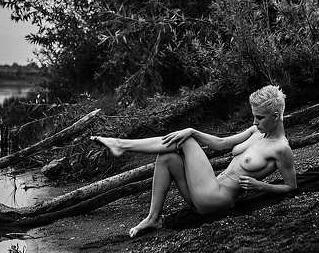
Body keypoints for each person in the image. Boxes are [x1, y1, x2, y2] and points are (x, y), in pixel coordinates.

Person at [91, 85, 297, 237]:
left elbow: (291, 186)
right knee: (167, 157)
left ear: (275, 116)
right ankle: (153, 218)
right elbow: (221, 144)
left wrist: (260, 185)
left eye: (259, 117)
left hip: (218, 199)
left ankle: (121, 145)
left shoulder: (281, 149)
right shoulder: (256, 131)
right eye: (254, 116)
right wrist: (193, 131)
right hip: (206, 190)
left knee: (187, 141)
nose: (254, 121)